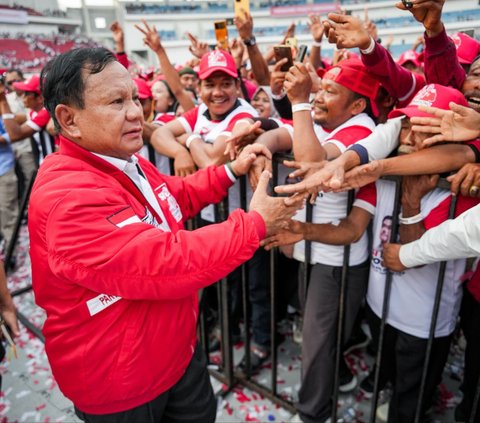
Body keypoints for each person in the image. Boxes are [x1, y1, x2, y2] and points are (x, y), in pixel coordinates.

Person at [29, 47, 303, 423]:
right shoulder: (67, 197)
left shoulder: (123, 160)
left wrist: (230, 171)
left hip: (174, 355)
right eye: (115, 101)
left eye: (133, 98)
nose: (135, 113)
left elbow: (173, 197)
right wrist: (255, 225)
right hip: (121, 382)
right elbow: (163, 262)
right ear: (69, 119)